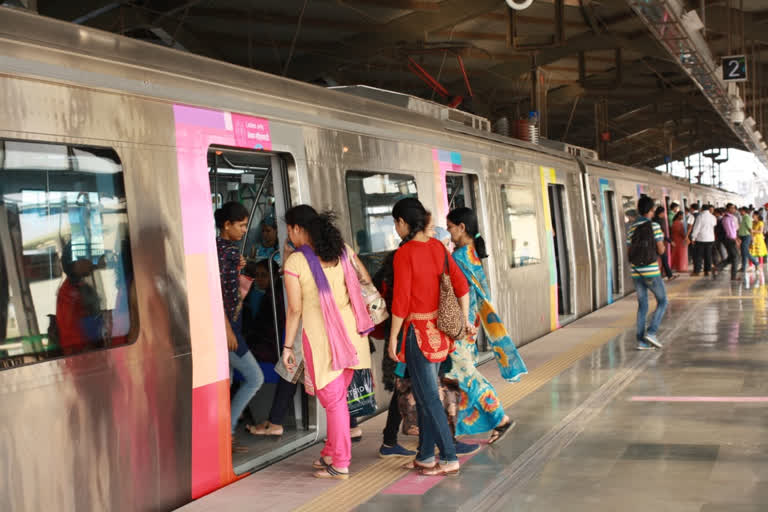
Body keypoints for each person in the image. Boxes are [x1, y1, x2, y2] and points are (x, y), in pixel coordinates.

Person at [280, 205, 373, 479]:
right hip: (353, 335)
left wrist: (287, 347)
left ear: (297, 229)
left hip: (323, 340)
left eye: (289, 229)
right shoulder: (342, 249)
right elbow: (365, 280)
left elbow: (294, 309)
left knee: (333, 401)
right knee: (337, 398)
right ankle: (330, 453)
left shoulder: (296, 262)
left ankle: (341, 463)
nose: (289, 234)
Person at [387, 197, 472, 477]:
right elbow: (462, 286)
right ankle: (424, 456)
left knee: (428, 397)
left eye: (396, 223)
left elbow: (400, 302)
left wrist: (393, 338)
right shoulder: (437, 247)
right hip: (440, 334)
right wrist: (462, 320)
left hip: (417, 334)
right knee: (426, 395)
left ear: (402, 223)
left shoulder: (405, 253)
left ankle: (448, 457)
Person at [445, 207, 527, 444]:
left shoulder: (459, 258)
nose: (448, 232)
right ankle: (454, 426)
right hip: (470, 325)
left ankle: (500, 418)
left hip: (461, 327)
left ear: (462, 227)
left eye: (450, 227)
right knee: (459, 374)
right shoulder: (469, 254)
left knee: (466, 375)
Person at [215, 202, 266, 450]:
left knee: (229, 380)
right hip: (228, 327)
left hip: (225, 325)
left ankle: (224, 432)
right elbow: (216, 293)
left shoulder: (218, 248)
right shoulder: (229, 252)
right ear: (227, 225)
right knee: (255, 378)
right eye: (242, 225)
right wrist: (226, 328)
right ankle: (227, 432)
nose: (245, 230)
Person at [373, 250, 417, 458]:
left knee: (402, 389)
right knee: (406, 388)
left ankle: (390, 440)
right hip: (402, 343)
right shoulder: (400, 283)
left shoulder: (384, 278)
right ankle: (391, 441)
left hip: (395, 343)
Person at [626, 195, 667, 349]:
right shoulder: (654, 226)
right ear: (651, 210)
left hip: (636, 271)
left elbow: (629, 251)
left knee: (642, 304)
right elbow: (661, 250)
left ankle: (641, 342)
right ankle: (651, 332)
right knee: (662, 301)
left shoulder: (632, 228)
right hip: (651, 270)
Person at [690, 204, 717, 276]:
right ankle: (707, 271)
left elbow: (696, 228)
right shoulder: (713, 217)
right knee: (708, 255)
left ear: (702, 209)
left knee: (698, 255)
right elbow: (714, 225)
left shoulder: (700, 217)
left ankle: (697, 271)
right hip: (710, 239)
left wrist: (693, 237)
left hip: (701, 239)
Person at [717, 203, 741, 281]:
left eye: (734, 208)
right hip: (729, 240)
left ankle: (718, 267)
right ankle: (733, 276)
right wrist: (735, 239)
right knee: (736, 257)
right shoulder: (726, 219)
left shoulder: (732, 217)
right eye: (731, 208)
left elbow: (735, 229)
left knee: (731, 257)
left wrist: (737, 238)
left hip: (732, 239)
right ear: (727, 209)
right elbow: (729, 231)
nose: (733, 209)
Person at [652, 206, 675, 280]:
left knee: (660, 259)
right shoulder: (658, 222)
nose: (664, 214)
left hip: (655, 242)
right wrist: (670, 241)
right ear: (660, 213)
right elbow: (662, 234)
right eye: (663, 213)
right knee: (664, 258)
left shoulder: (654, 220)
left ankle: (667, 274)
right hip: (659, 243)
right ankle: (669, 275)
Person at [738, 207, 760, 274]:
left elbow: (750, 228)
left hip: (746, 237)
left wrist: (752, 237)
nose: (740, 212)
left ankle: (756, 263)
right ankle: (743, 267)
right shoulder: (744, 217)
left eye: (741, 211)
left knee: (745, 252)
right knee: (743, 252)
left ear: (744, 211)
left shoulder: (747, 218)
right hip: (743, 237)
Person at [751, 210, 767, 284]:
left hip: (759, 239)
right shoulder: (752, 222)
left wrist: (753, 231)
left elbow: (760, 231)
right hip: (753, 239)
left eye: (753, 215)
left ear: (757, 216)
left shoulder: (761, 222)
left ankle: (760, 266)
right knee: (751, 252)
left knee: (760, 253)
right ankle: (751, 266)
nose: (752, 216)